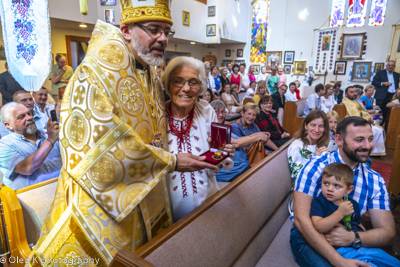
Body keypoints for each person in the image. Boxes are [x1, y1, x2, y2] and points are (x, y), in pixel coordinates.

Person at [29, 3, 222, 263]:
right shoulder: (94, 73)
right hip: (103, 204)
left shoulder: (150, 70)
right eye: (154, 29)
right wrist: (171, 161)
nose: (163, 38)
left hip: (149, 195)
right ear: (126, 30)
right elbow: (96, 150)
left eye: (167, 31)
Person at [290, 116, 395, 267]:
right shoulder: (315, 166)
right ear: (339, 140)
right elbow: (301, 220)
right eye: (359, 140)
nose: (367, 145)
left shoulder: (375, 180)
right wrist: (340, 262)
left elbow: (388, 233)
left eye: (370, 139)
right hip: (308, 235)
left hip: (347, 235)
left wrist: (353, 237)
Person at [162, 57, 234, 221]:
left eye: (193, 82)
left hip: (208, 202)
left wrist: (222, 153)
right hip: (169, 211)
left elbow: (217, 156)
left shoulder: (206, 110)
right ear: (167, 85)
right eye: (178, 81)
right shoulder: (157, 114)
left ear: (200, 87)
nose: (186, 88)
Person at [311, 162, 400, 267]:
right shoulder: (319, 202)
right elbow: (318, 226)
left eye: (336, 185)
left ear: (349, 189)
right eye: (326, 183)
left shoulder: (352, 204)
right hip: (340, 250)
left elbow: (358, 224)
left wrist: (363, 238)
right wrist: (339, 213)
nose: (330, 188)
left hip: (358, 246)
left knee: (390, 261)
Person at [0, 102, 62, 190]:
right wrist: (50, 140)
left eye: (29, 113)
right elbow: (27, 168)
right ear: (8, 125)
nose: (29, 118)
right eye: (21, 117)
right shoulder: (4, 145)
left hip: (62, 188)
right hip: (30, 198)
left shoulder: (48, 133)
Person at [211, 100, 269, 183]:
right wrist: (258, 136)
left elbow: (238, 142)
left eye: (223, 112)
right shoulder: (212, 130)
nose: (220, 115)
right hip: (234, 173)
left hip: (245, 165)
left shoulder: (224, 127)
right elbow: (235, 143)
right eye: (216, 112)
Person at [342, 86, 386, 156]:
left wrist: (369, 117)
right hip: (352, 124)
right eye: (351, 92)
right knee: (378, 131)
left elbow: (364, 112)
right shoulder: (348, 103)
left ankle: (374, 151)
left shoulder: (354, 101)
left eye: (355, 91)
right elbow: (355, 116)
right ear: (346, 94)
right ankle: (371, 150)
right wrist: (367, 119)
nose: (354, 93)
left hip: (360, 122)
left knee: (379, 130)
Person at [287, 110, 330, 181]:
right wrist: (316, 159)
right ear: (305, 126)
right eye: (313, 125)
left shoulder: (323, 144)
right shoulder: (297, 146)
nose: (317, 130)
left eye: (321, 126)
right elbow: (298, 177)